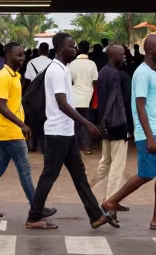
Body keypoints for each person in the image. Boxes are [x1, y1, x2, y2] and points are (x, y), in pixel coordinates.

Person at [25, 33, 113, 231]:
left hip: (66, 132)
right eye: (70, 46)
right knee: (49, 175)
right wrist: (86, 123)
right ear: (59, 49)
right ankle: (34, 216)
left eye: (75, 46)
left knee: (79, 175)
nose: (74, 49)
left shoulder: (64, 69)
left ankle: (96, 215)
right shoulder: (56, 70)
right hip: (57, 132)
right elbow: (62, 103)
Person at [101, 34, 156, 230]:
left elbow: (153, 109)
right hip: (148, 134)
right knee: (146, 174)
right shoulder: (143, 73)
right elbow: (140, 106)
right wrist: (150, 137)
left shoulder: (152, 73)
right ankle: (111, 201)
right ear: (151, 49)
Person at [0, 42, 55, 214]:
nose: (22, 57)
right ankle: (36, 207)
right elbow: (2, 107)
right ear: (8, 57)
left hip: (9, 130)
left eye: (23, 54)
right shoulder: (3, 77)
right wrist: (22, 124)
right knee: (25, 169)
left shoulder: (14, 75)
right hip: (10, 131)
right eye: (18, 55)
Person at [92, 44, 134, 201]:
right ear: (112, 56)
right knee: (117, 165)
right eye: (122, 54)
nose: (124, 57)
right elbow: (122, 103)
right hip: (117, 125)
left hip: (106, 124)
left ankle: (92, 196)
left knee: (105, 162)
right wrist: (129, 127)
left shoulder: (102, 72)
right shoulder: (116, 75)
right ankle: (111, 201)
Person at [68, 41, 97, 153]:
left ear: (79, 49)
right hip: (87, 97)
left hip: (74, 97)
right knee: (86, 122)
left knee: (75, 122)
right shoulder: (92, 64)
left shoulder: (72, 64)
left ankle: (74, 146)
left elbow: (69, 81)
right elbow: (95, 81)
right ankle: (86, 147)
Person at [24, 42, 51, 152]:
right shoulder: (52, 63)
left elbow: (27, 79)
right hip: (48, 95)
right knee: (46, 119)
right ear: (48, 51)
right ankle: (44, 146)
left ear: (39, 51)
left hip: (34, 95)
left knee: (33, 119)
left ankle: (33, 144)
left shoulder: (31, 63)